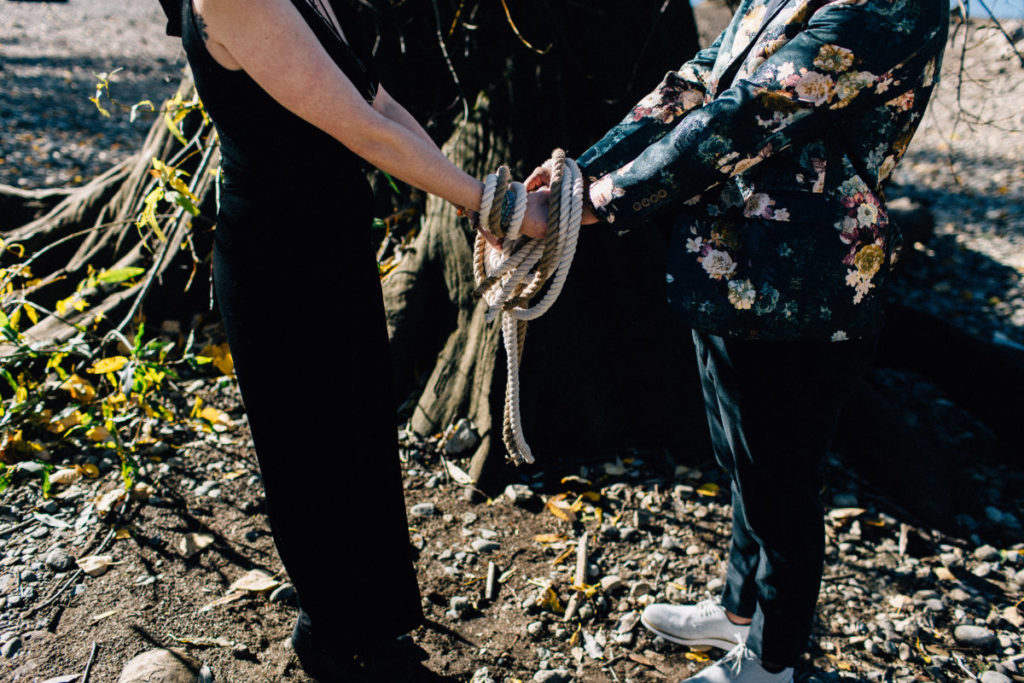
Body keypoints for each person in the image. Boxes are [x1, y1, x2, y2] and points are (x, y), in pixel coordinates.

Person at [522, 0, 948, 680]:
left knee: (782, 479)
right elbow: (697, 81)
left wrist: (603, 199)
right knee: (741, 457)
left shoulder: (895, 7)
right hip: (724, 268)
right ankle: (738, 609)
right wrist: (581, 172)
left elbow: (750, 110)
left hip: (808, 289)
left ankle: (772, 660)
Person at [155, 0, 544, 680]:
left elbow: (380, 102)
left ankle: (372, 629)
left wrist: (474, 200)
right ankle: (334, 639)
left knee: (358, 435)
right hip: (276, 258)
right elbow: (364, 132)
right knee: (310, 453)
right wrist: (497, 206)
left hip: (330, 240)